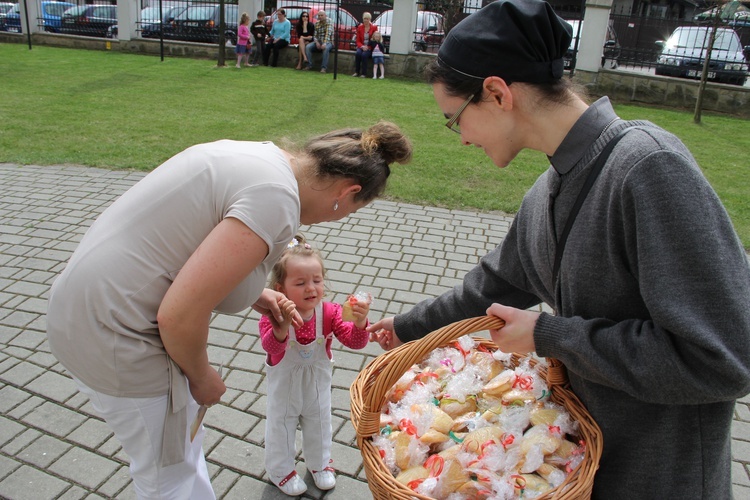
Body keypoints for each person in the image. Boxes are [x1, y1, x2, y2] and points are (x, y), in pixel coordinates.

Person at [367, 0, 750, 498]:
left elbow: (724, 359)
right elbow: (486, 291)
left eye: (454, 118)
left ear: (497, 93)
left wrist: (550, 336)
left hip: (658, 478)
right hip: (576, 464)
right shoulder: (547, 191)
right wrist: (404, 328)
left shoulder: (649, 170)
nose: (459, 138)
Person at [46, 121, 412, 499]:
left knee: (177, 462)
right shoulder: (277, 202)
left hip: (82, 310)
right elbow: (179, 315)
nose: (340, 219)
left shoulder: (266, 158)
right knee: (169, 475)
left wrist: (259, 295)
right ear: (347, 193)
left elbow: (198, 252)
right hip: (116, 334)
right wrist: (201, 376)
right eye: (351, 211)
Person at [259, 234, 370, 496]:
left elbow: (355, 343)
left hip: (317, 389)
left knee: (320, 424)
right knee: (281, 427)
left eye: (317, 281)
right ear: (280, 288)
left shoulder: (329, 312)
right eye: (301, 282)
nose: (311, 288)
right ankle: (280, 469)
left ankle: (319, 464)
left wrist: (360, 323)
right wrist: (282, 326)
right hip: (284, 390)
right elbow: (272, 349)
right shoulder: (271, 313)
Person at [352, 12, 377, 78]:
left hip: (370, 47)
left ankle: (364, 73)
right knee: (358, 54)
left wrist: (368, 47)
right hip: (362, 46)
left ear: (369, 19)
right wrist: (362, 46)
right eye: (364, 19)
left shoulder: (374, 28)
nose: (365, 20)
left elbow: (375, 40)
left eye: (367, 19)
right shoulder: (360, 28)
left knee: (364, 55)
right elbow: (358, 41)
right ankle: (357, 72)